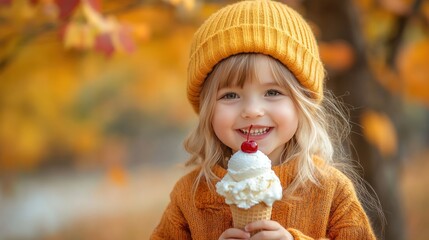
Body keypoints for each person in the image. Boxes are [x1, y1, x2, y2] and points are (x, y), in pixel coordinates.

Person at [151, 0, 381, 239]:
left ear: (302, 103)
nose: (252, 111)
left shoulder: (331, 190)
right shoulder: (190, 195)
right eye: (230, 95)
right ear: (207, 109)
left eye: (272, 92)